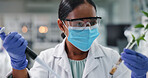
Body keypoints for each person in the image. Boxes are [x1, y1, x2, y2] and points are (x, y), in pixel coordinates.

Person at [0, 0, 134, 78]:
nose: (87, 28)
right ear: (61, 25)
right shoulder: (47, 59)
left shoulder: (111, 58)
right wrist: (17, 63)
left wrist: (139, 75)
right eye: (79, 23)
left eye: (92, 22)